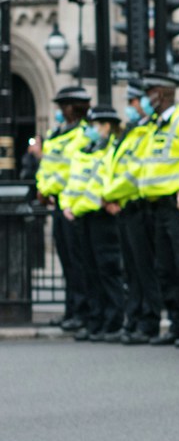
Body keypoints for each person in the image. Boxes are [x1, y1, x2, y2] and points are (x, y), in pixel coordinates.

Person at [134, 72, 179, 346]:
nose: (145, 99)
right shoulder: (155, 126)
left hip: (175, 207)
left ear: (162, 95)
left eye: (149, 92)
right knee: (165, 268)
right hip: (156, 209)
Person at [60, 105, 127, 341]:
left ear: (107, 126)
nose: (91, 130)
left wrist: (75, 207)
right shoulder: (87, 150)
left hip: (100, 218)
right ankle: (96, 320)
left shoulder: (110, 151)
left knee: (107, 270)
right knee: (90, 270)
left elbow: (96, 189)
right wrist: (67, 205)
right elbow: (74, 183)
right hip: (83, 216)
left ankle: (112, 321)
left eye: (95, 125)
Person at [103, 80, 158, 344]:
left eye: (134, 102)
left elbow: (135, 173)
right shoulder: (131, 132)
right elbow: (116, 169)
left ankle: (147, 321)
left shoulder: (147, 132)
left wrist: (110, 195)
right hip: (124, 207)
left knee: (143, 268)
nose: (131, 107)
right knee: (132, 270)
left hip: (136, 207)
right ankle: (135, 318)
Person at [37, 85, 93, 332]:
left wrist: (50, 189)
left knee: (76, 261)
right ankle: (71, 310)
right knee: (66, 261)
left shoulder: (81, 134)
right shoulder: (57, 134)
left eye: (63, 106)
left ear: (73, 108)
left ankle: (82, 311)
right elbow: (48, 167)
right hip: (57, 202)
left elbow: (70, 171)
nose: (59, 111)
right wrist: (43, 189)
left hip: (71, 203)